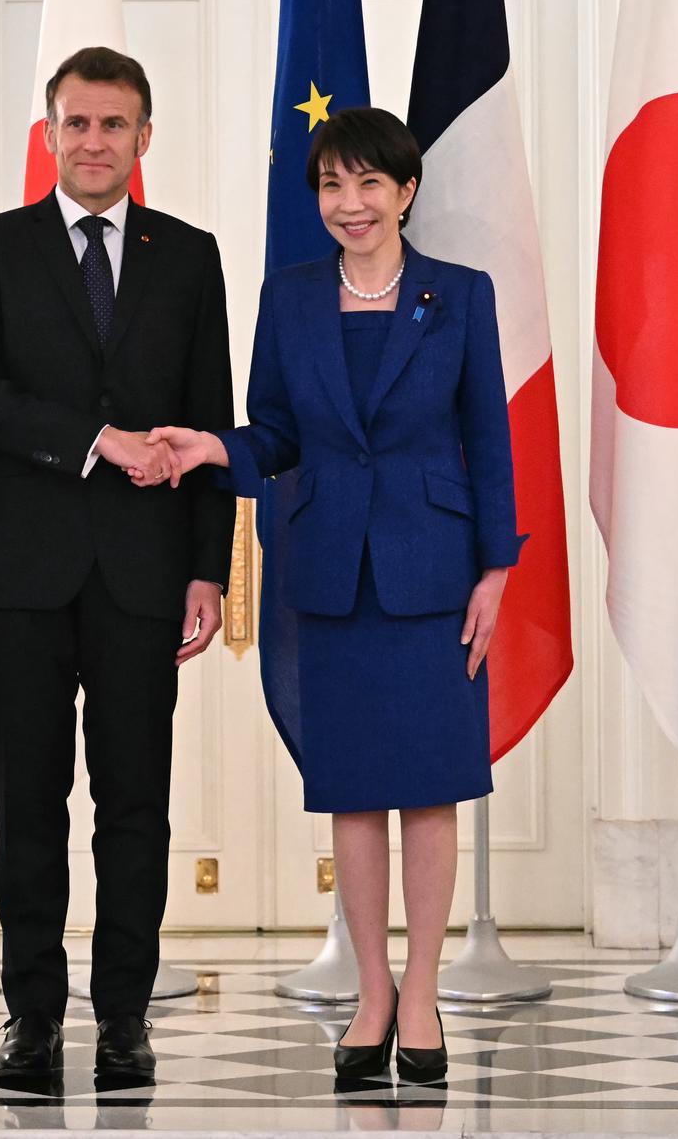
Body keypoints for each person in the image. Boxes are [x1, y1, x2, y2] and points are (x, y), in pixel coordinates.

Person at [149, 107, 518, 1087]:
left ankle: (426, 991)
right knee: (352, 793)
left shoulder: (462, 296)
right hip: (327, 571)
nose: (348, 204)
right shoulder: (292, 297)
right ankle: (372, 994)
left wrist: (496, 570)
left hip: (435, 572)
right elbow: (276, 433)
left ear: (404, 192)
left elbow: (489, 438)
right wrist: (213, 448)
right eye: (330, 186)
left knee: (431, 787)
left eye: (367, 185)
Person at [0, 46, 237, 1090]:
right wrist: (98, 438)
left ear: (144, 138)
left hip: (147, 575)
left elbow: (208, 423)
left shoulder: (190, 257)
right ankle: (29, 1020)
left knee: (136, 808)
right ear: (49, 133)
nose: (95, 142)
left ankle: (123, 1022)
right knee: (29, 804)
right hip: (21, 569)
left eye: (115, 126)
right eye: (77, 124)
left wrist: (210, 572)